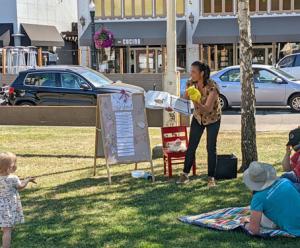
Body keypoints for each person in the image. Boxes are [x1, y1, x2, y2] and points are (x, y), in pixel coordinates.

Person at [177, 61, 221, 186]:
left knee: (210, 148)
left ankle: (211, 178)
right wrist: (173, 107)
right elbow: (183, 99)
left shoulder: (213, 87)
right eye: (191, 71)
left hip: (213, 119)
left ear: (201, 73)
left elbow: (207, 109)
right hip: (198, 118)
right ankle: (185, 175)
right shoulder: (190, 83)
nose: (191, 74)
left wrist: (196, 101)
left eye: (194, 72)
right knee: (192, 146)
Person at [243, 161, 300, 236]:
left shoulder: (258, 198)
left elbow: (254, 230)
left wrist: (245, 223)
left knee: (258, 216)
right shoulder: (285, 181)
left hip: (294, 227)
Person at [0, 152, 36, 248]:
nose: (15, 166)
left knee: (4, 222)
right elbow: (20, 186)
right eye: (13, 164)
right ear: (8, 168)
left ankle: (5, 224)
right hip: (8, 205)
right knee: (7, 230)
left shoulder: (12, 178)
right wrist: (27, 180)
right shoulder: (13, 178)